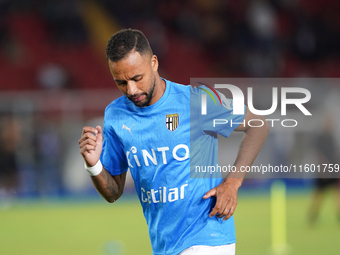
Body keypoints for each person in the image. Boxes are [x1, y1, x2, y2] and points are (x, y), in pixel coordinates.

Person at [78, 28, 269, 255]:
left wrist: (233, 182)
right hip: (164, 245)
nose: (131, 89)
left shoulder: (196, 100)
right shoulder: (116, 116)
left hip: (208, 235)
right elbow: (113, 193)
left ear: (154, 63)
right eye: (121, 82)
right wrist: (93, 165)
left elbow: (259, 124)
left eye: (137, 78)